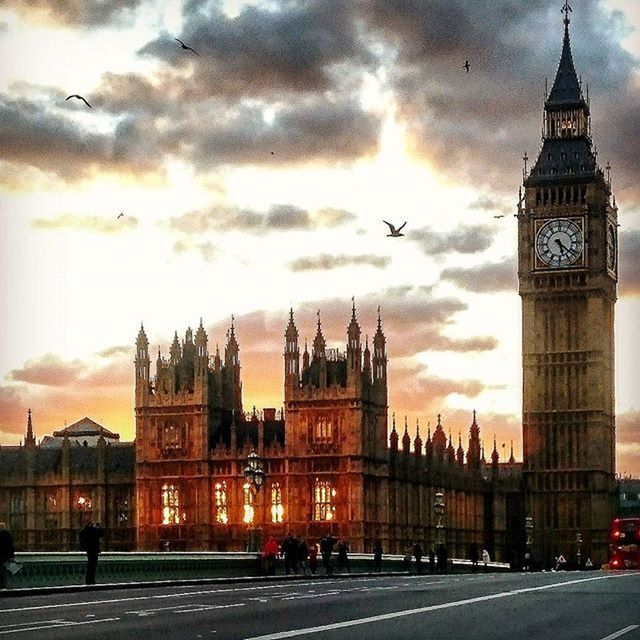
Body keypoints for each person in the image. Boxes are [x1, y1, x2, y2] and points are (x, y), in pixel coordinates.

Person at [79, 520, 105, 585]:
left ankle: (89, 580)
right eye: (92, 524)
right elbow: (102, 533)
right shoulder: (93, 531)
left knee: (90, 565)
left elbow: (81, 535)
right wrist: (98, 527)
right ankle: (91, 580)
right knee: (92, 565)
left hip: (90, 550)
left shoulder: (85, 531)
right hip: (94, 550)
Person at [0, 522, 15, 590]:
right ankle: (4, 584)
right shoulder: (8, 535)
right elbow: (11, 547)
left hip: (1, 557)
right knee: (4, 571)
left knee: (1, 571)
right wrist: (12, 556)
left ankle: (2, 584)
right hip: (6, 557)